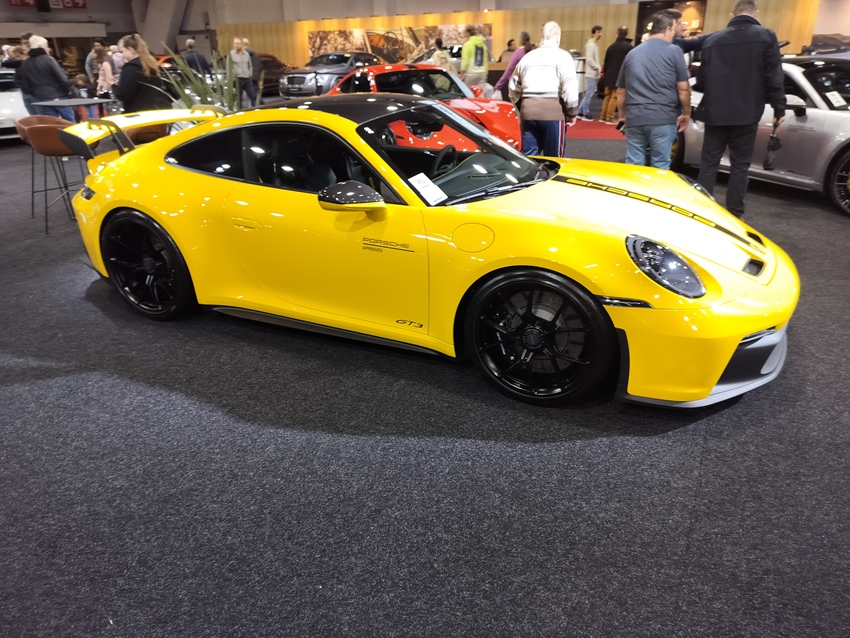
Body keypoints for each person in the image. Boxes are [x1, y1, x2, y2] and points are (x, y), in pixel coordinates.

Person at [694, 0, 785, 217]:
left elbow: (701, 81)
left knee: (709, 164)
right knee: (740, 165)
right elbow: (774, 77)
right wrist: (779, 109)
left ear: (731, 15)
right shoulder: (766, 36)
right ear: (756, 13)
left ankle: (702, 212)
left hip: (715, 112)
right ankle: (735, 214)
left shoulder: (712, 39)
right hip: (747, 112)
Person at [616, 10, 690, 169]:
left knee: (633, 164)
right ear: (668, 29)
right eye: (677, 25)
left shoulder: (632, 53)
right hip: (663, 117)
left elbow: (621, 91)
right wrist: (686, 113)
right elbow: (683, 89)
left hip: (635, 117)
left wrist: (622, 116)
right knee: (660, 164)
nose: (680, 28)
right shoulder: (674, 51)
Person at [509, 21, 579, 158]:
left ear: (542, 36)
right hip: (553, 115)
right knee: (554, 159)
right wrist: (572, 113)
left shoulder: (527, 58)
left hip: (528, 114)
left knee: (528, 159)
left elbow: (512, 87)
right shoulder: (563, 57)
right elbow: (569, 88)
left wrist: (523, 107)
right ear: (558, 37)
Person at [16, 35, 75, 121]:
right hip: (59, 96)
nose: (48, 49)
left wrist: (36, 93)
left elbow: (26, 84)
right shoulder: (49, 59)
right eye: (46, 46)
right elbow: (62, 78)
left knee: (51, 124)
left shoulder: (25, 63)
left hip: (41, 98)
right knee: (70, 122)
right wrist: (68, 92)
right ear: (40, 46)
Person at [114, 33, 170, 112]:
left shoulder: (131, 68)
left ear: (130, 50)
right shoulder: (152, 64)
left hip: (140, 113)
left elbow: (124, 95)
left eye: (121, 51)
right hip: (161, 110)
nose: (121, 55)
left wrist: (115, 87)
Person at [599, 26, 632, 124]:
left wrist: (604, 74)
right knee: (615, 96)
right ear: (626, 34)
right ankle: (609, 117)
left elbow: (606, 62)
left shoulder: (611, 46)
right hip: (619, 75)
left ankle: (603, 116)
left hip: (609, 74)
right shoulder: (628, 47)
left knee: (607, 96)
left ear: (617, 33)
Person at [494, 31, 534, 100]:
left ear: (520, 40)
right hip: (531, 85)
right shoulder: (533, 50)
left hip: (518, 86)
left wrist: (498, 86)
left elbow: (509, 70)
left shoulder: (518, 52)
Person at [577, 25, 603, 121]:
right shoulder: (591, 44)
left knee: (589, 93)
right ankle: (585, 112)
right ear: (593, 33)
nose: (600, 34)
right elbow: (589, 60)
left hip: (593, 73)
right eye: (598, 32)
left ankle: (580, 111)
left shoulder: (594, 44)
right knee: (589, 94)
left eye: (601, 32)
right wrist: (597, 67)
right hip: (591, 73)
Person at [230, 37, 257, 108]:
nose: (236, 45)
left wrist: (250, 74)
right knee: (239, 98)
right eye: (235, 43)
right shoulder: (231, 54)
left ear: (242, 45)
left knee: (253, 96)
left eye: (238, 44)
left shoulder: (246, 54)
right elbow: (229, 67)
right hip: (237, 79)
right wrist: (233, 77)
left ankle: (256, 109)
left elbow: (250, 65)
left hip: (247, 78)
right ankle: (240, 111)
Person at [459, 26, 488, 90]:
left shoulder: (467, 45)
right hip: (482, 73)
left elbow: (465, 61)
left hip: (471, 74)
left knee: (468, 92)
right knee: (480, 93)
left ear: (468, 33)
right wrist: (485, 76)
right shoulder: (483, 46)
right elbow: (485, 61)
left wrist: (461, 74)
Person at [242, 37, 263, 103]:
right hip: (254, 76)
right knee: (255, 94)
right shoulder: (254, 53)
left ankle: (260, 106)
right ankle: (261, 105)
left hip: (249, 76)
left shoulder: (245, 54)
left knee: (253, 95)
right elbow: (259, 65)